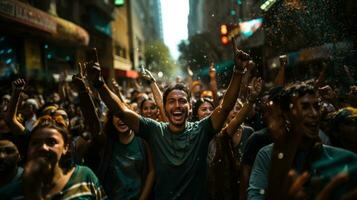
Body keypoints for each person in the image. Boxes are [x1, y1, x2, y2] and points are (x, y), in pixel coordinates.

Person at [85, 48, 252, 199]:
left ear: (190, 107)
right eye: (171, 101)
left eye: (182, 101)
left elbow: (225, 108)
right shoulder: (155, 130)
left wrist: (238, 71)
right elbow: (121, 111)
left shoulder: (202, 130)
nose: (177, 106)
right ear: (164, 107)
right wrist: (99, 84)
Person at [247, 81, 357, 200]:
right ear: (286, 115)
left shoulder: (346, 159)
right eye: (304, 107)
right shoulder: (268, 156)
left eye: (316, 106)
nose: (314, 114)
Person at [72, 71, 155, 200]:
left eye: (124, 117)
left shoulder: (143, 140)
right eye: (117, 116)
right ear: (111, 120)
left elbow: (151, 172)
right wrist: (83, 92)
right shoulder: (108, 142)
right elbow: (92, 122)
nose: (121, 120)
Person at [0, 115, 107, 199]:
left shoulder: (84, 177)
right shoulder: (9, 194)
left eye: (51, 142)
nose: (43, 147)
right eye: (35, 143)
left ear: (66, 147)